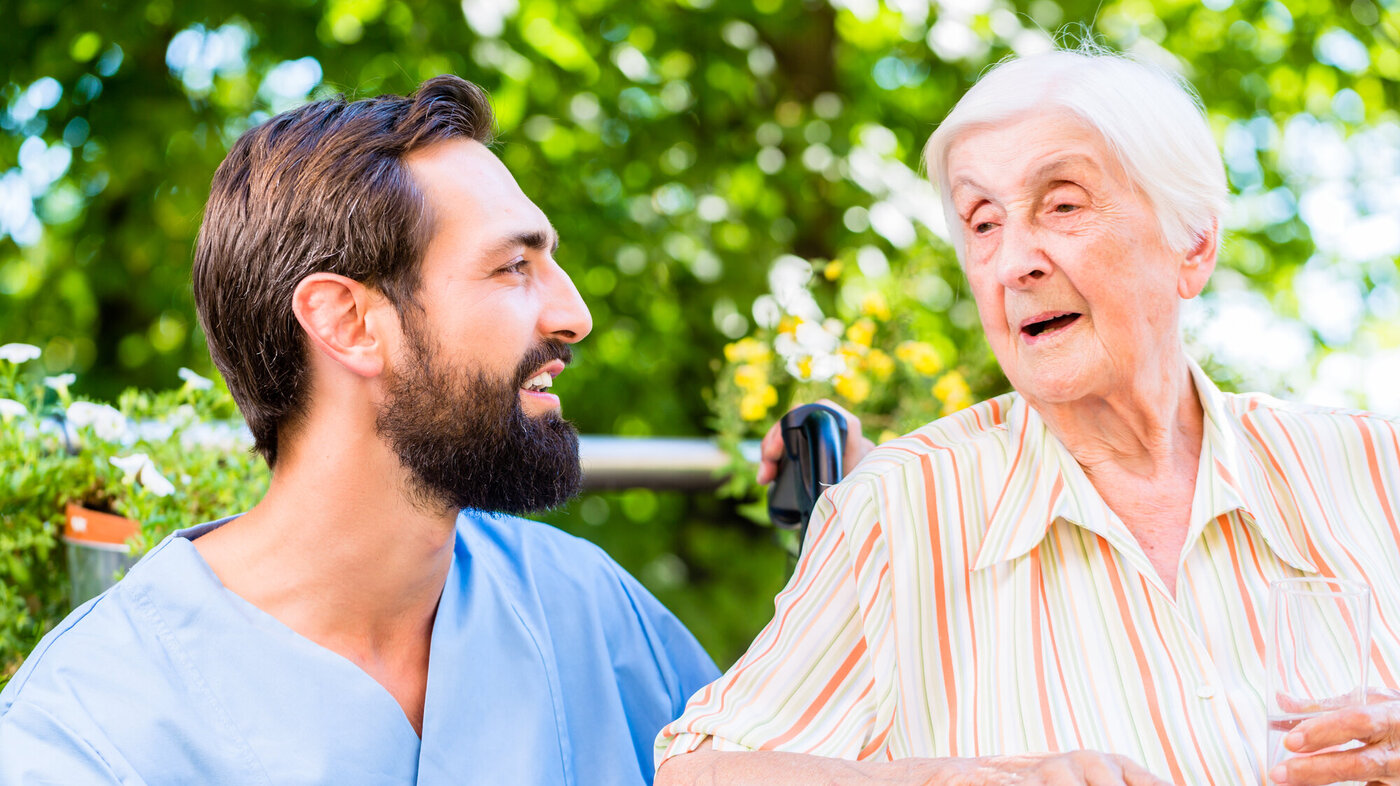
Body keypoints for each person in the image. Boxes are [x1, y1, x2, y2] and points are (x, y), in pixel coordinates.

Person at [657, 46, 1400, 786]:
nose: (1014, 262)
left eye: (1063, 204)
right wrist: (949, 782)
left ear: (1194, 242)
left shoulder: (1375, 466)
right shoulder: (898, 514)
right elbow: (694, 770)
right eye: (982, 223)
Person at [0, 75, 718, 785]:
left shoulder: (588, 610)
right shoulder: (87, 732)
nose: (575, 315)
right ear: (347, 323)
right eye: (512, 266)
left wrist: (835, 516)